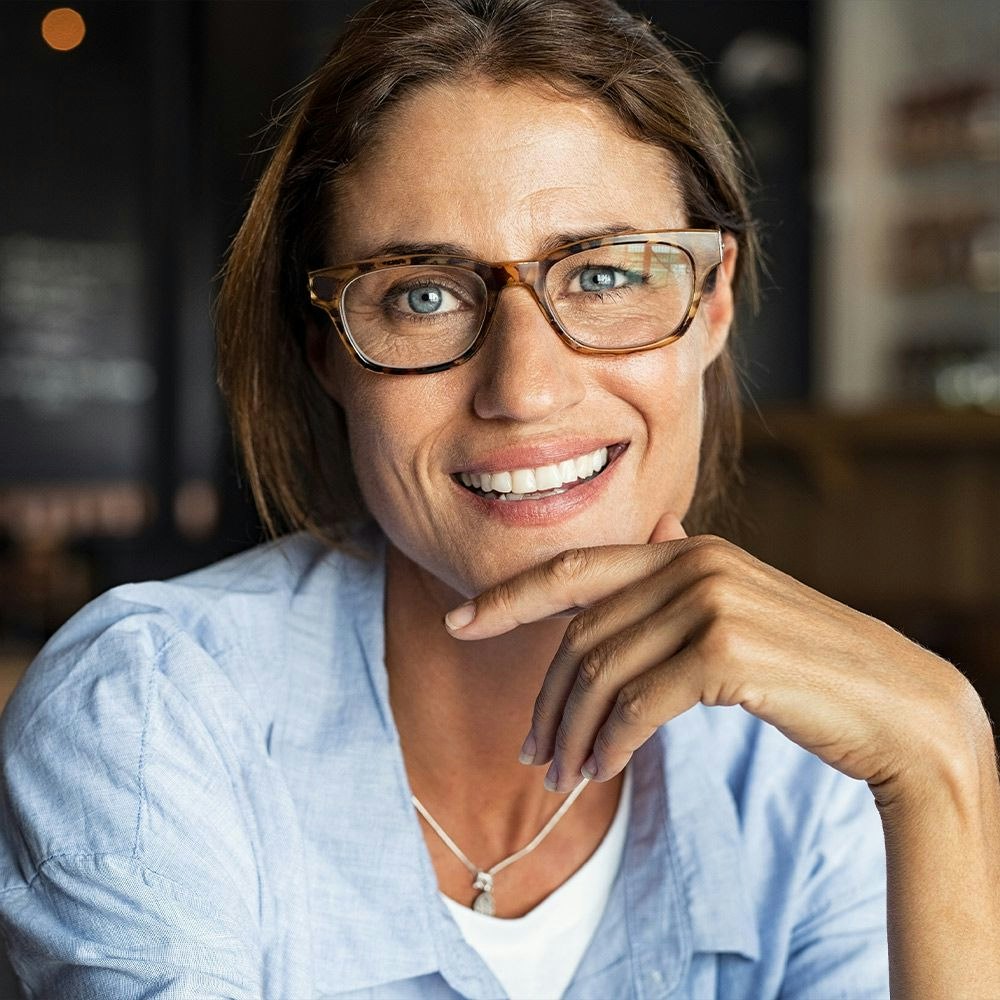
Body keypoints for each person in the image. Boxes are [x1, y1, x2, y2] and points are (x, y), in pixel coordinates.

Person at [1, 0, 998, 996]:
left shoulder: (803, 781)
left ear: (713, 303)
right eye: (422, 294)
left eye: (604, 274)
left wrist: (943, 758)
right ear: (327, 354)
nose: (522, 387)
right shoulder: (152, 711)